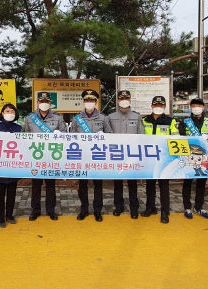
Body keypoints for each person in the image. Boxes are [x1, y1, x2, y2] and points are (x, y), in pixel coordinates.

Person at [70, 89, 113, 222]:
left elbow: (111, 135)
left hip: (97, 156)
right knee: (82, 184)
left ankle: (97, 211)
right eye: (87, 100)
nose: (89, 103)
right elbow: (71, 137)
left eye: (92, 100)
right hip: (81, 156)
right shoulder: (77, 119)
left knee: (97, 185)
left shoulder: (103, 118)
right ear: (83, 102)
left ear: (96, 102)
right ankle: (84, 209)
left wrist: (104, 136)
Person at [23, 91, 67, 221]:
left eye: (46, 101)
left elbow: (64, 134)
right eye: (41, 101)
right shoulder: (30, 118)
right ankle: (35, 210)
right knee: (36, 185)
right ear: (37, 103)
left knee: (50, 185)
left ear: (50, 103)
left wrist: (60, 134)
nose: (44, 104)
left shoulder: (58, 118)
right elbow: (26, 136)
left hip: (52, 157)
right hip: (36, 157)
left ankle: (51, 210)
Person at [177, 98, 208, 220]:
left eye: (199, 106)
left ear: (203, 108)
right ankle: (187, 207)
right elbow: (180, 138)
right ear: (190, 108)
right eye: (194, 106)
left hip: (205, 157)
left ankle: (199, 207)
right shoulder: (185, 122)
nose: (196, 108)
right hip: (188, 157)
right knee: (187, 182)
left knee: (201, 183)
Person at [106, 90, 144, 219]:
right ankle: (119, 206)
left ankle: (134, 208)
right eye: (121, 98)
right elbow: (108, 136)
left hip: (132, 155)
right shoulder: (110, 117)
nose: (124, 100)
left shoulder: (137, 116)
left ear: (130, 100)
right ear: (117, 101)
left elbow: (141, 136)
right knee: (118, 183)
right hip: (117, 155)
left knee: (132, 183)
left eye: (126, 98)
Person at [141, 96, 179, 224]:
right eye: (156, 105)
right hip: (149, 158)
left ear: (164, 107)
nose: (158, 107)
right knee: (150, 185)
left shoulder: (170, 121)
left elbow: (176, 138)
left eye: (161, 105)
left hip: (164, 159)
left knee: (164, 186)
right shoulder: (144, 120)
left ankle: (165, 211)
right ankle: (150, 207)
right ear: (152, 106)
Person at [0, 104, 22, 228]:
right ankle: (0, 217)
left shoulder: (19, 128)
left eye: (12, 111)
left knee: (12, 192)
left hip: (14, 166)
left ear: (15, 114)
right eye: (7, 111)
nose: (9, 113)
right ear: (2, 113)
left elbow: (23, 146)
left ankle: (9, 215)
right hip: (0, 166)